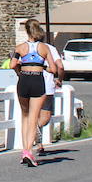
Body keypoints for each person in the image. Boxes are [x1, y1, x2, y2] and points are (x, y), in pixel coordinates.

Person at [13, 18, 54, 167]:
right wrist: (42, 68)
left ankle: (24, 150)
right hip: (37, 80)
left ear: (26, 31)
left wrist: (20, 71)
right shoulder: (44, 48)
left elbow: (12, 64)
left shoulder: (19, 47)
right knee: (33, 117)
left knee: (24, 115)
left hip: (23, 80)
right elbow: (54, 69)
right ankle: (29, 151)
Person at [35, 34, 64, 154]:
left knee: (34, 115)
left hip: (29, 84)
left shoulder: (25, 47)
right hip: (46, 86)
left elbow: (16, 64)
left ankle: (39, 144)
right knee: (45, 117)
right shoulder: (50, 48)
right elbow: (60, 66)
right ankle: (35, 130)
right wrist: (60, 80)